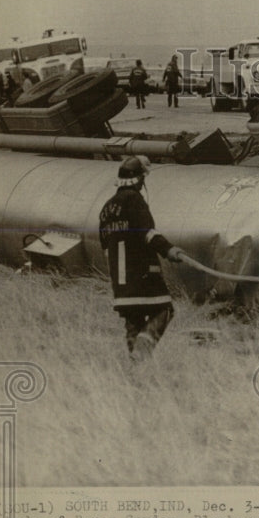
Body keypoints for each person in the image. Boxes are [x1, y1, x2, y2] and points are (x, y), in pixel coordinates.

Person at [98, 156, 184, 364]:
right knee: (164, 310)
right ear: (139, 179)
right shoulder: (134, 200)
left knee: (133, 319)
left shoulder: (106, 209)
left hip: (120, 279)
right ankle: (143, 349)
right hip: (142, 273)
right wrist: (169, 250)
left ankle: (134, 365)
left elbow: (104, 244)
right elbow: (148, 233)